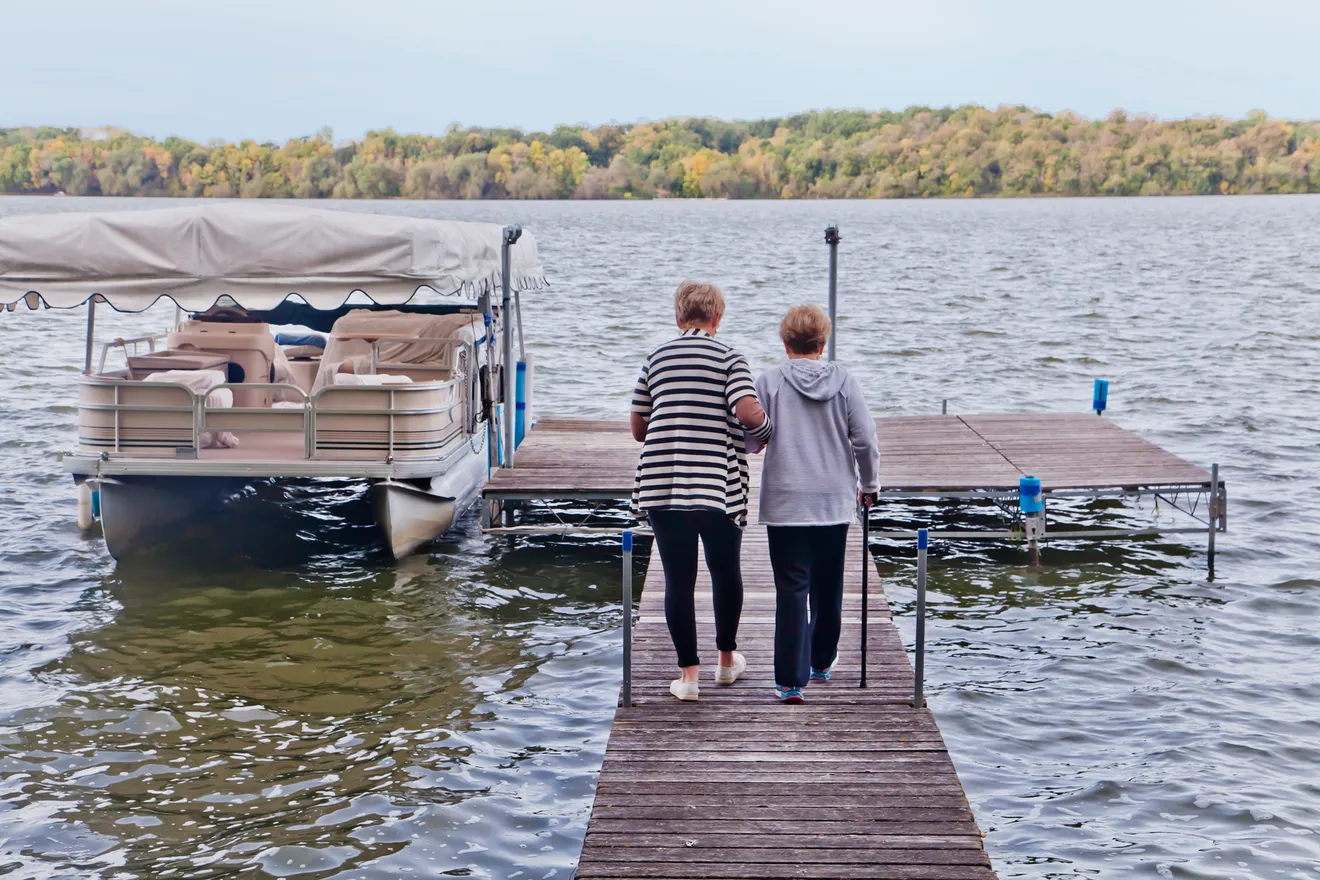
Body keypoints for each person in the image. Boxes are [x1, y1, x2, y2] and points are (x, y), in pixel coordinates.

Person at [630, 281, 773, 702]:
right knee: (725, 573)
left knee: (679, 580)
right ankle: (726, 663)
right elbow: (747, 411)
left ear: (678, 318)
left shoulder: (656, 356)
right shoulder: (730, 356)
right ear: (717, 318)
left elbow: (638, 428)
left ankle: (688, 678)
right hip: (718, 485)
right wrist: (765, 432)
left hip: (663, 482)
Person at [746, 304, 879, 703]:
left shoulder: (768, 382)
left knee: (791, 589)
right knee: (828, 584)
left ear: (785, 343)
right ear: (823, 343)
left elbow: (752, 438)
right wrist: (870, 484)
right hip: (832, 499)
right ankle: (821, 660)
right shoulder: (845, 381)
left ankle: (789, 681)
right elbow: (865, 439)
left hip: (786, 501)